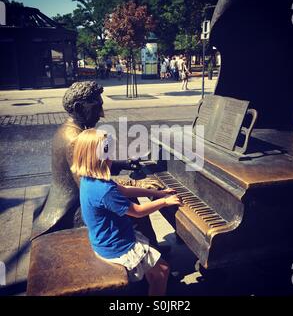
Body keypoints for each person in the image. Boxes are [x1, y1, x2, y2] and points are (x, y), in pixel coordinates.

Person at [31, 81, 162, 243]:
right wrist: (136, 184)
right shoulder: (76, 140)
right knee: (129, 206)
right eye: (96, 107)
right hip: (73, 207)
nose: (101, 114)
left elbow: (93, 165)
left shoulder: (69, 128)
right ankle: (150, 253)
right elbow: (92, 185)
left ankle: (150, 248)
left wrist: (124, 164)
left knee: (126, 199)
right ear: (79, 107)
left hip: (71, 196)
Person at [71, 129, 182, 295]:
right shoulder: (104, 190)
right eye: (108, 153)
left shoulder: (90, 180)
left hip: (105, 239)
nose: (111, 158)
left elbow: (124, 190)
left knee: (156, 270)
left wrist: (156, 193)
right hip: (117, 246)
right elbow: (138, 212)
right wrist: (164, 201)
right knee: (163, 270)